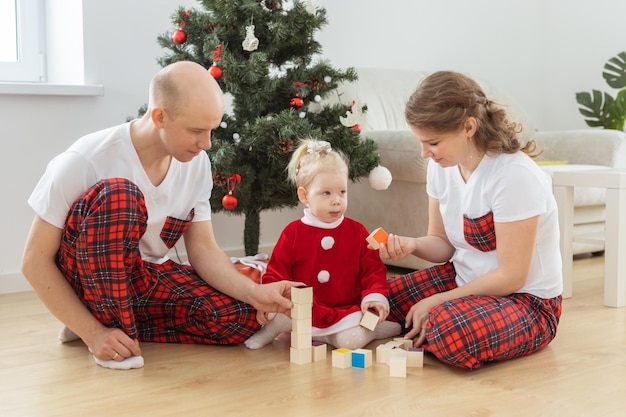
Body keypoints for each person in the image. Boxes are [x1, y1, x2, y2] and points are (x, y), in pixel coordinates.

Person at [21, 61, 299, 370]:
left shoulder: (196, 164)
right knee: (120, 195)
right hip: (86, 279)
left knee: (243, 317)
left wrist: (255, 293)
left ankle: (118, 322)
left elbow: (204, 249)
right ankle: (102, 326)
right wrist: (93, 333)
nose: (206, 143)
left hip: (144, 279)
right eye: (196, 131)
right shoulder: (84, 160)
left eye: (210, 130)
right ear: (160, 117)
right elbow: (34, 261)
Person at [380, 71, 563, 370]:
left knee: (445, 327)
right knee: (378, 296)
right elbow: (443, 246)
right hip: (462, 278)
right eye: (421, 142)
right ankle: (422, 326)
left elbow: (512, 276)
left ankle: (431, 327)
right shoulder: (442, 167)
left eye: (433, 143)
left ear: (469, 127)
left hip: (527, 302)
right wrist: (411, 244)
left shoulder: (514, 176)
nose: (425, 153)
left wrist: (440, 300)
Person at [244, 139, 401, 350]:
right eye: (326, 193)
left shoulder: (357, 231)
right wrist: (270, 300)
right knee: (280, 318)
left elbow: (373, 272)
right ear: (304, 195)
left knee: (350, 342)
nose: (336, 200)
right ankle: (276, 332)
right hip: (304, 310)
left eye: (342, 192)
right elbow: (276, 272)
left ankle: (369, 328)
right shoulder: (293, 233)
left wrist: (374, 298)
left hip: (345, 312)